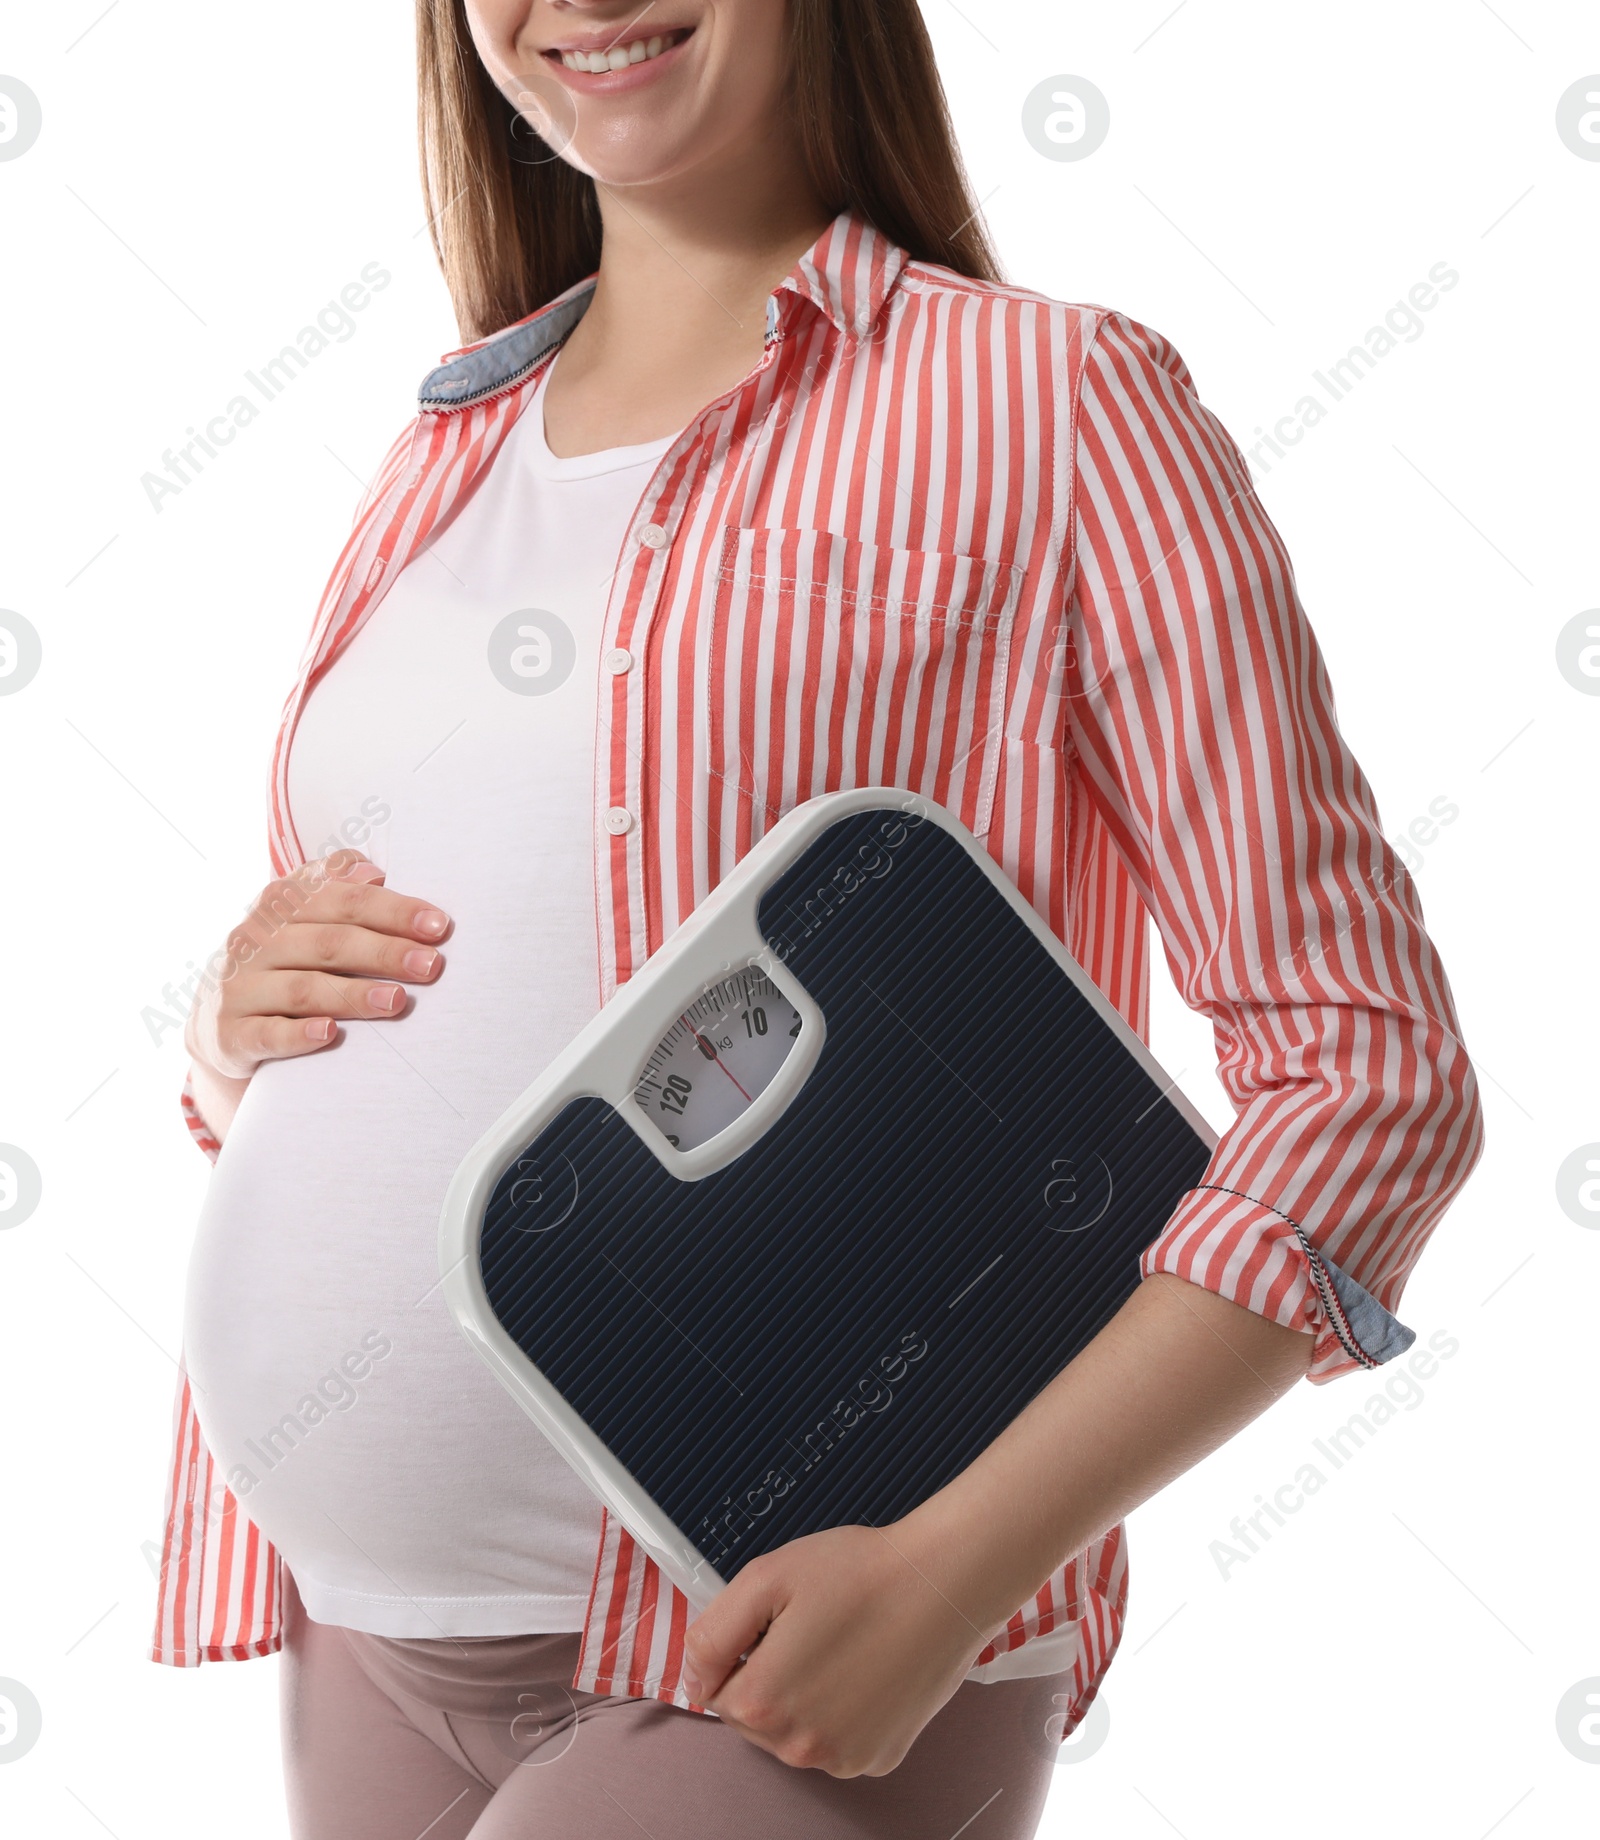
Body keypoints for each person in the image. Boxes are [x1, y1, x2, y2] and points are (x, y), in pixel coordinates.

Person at [151, 3, 1486, 1835]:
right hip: (360, 1630)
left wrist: (956, 1569)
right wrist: (230, 1045)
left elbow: (1370, 1074)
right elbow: (464, 1000)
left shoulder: (1060, 404)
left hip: (780, 1643)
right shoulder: (441, 448)